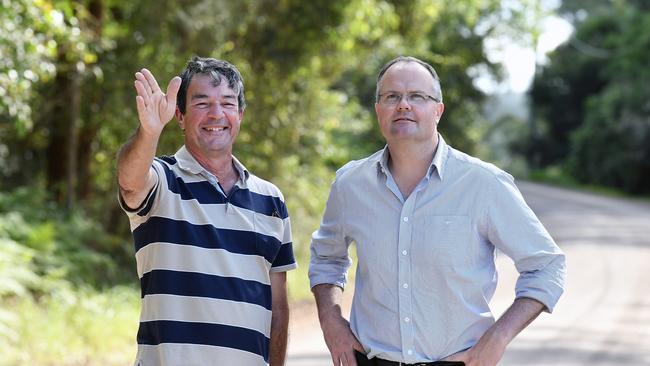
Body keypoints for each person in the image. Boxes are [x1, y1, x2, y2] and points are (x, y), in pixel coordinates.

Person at [309, 56, 566, 366]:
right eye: (392, 97)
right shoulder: (351, 184)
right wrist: (331, 320)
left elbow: (547, 266)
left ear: (438, 111)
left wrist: (498, 337)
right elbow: (327, 257)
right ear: (379, 110)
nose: (403, 105)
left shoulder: (483, 184)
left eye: (417, 96)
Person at [117, 56, 296, 366]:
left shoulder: (270, 201)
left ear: (240, 115)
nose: (217, 114)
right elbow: (130, 183)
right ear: (181, 116)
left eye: (227, 103)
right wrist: (148, 132)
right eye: (202, 103)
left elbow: (277, 310)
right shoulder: (162, 181)